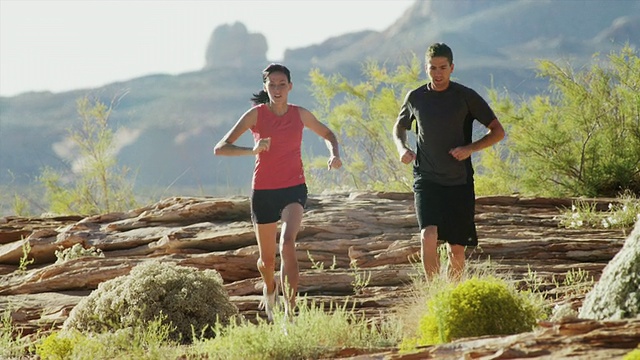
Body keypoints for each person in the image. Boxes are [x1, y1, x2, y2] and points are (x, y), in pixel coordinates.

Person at [214, 63, 342, 321]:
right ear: (265, 87)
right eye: (271, 84)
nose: (277, 89)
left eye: (281, 84)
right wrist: (252, 151)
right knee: (266, 262)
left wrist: (334, 154)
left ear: (290, 86)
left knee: (287, 244)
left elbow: (328, 134)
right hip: (263, 191)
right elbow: (220, 147)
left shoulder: (300, 114)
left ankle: (290, 313)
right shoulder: (256, 115)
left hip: (294, 187)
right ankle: (270, 289)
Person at [393, 43, 505, 281]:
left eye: (443, 67)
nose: (438, 73)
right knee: (428, 235)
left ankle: (450, 295)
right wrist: (402, 147)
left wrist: (469, 148)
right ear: (426, 68)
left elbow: (497, 131)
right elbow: (399, 127)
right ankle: (433, 294)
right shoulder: (416, 97)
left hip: (458, 181)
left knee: (456, 248)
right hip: (427, 178)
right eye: (433, 68)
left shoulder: (465, 96)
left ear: (452, 68)